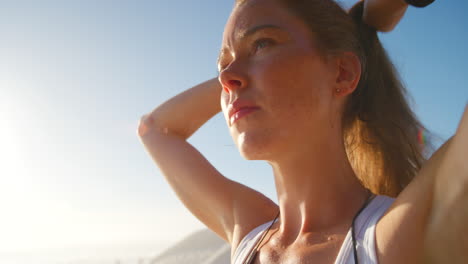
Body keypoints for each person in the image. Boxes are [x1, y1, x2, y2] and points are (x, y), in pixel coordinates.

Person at [137, 0, 467, 263]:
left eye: (262, 43)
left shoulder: (403, 235)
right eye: (222, 66)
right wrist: (355, 32)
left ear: (342, 73)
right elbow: (155, 129)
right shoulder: (249, 233)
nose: (227, 78)